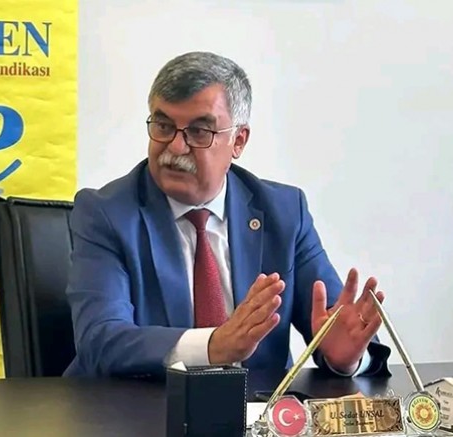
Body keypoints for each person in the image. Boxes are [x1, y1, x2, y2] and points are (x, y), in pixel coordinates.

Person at [63, 51, 391, 379]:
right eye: (163, 126)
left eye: (199, 132)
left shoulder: (284, 213)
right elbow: (101, 341)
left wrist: (345, 359)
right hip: (137, 406)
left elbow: (336, 324)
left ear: (238, 141)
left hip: (257, 407)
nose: (175, 147)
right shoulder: (106, 213)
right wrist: (213, 346)